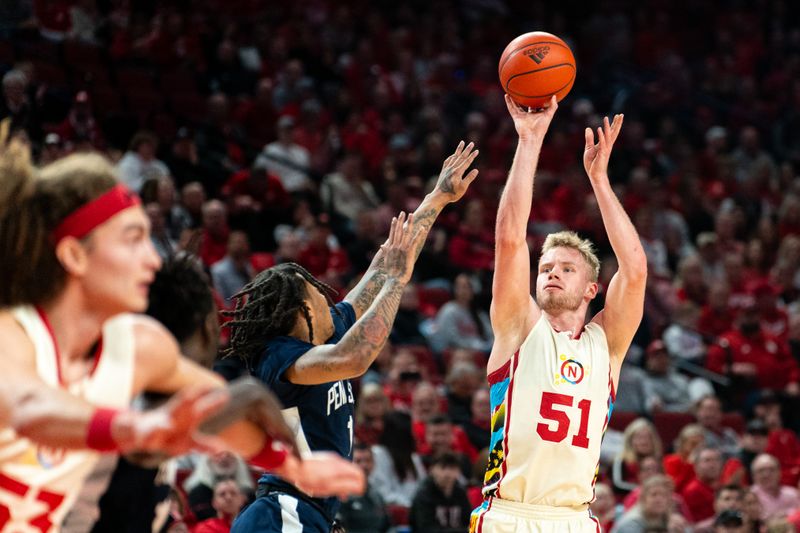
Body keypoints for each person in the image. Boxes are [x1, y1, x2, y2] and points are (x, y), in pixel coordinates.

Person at [0, 143, 364, 531]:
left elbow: (225, 410)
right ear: (75, 255)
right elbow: (28, 407)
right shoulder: (15, 336)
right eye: (132, 238)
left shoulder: (142, 345)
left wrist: (292, 466)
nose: (153, 259)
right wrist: (135, 428)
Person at [229, 141, 479, 533]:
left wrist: (437, 198)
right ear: (302, 312)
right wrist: (399, 279)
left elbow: (382, 265)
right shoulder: (279, 357)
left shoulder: (325, 333)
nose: (327, 292)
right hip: (282, 514)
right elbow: (357, 357)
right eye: (315, 289)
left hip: (312, 512)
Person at [471, 97, 648, 532]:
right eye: (546, 268)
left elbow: (636, 269)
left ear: (592, 289)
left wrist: (600, 182)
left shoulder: (606, 343)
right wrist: (529, 140)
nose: (551, 274)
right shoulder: (519, 327)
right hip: (509, 515)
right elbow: (510, 239)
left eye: (567, 269)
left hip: (575, 520)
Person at [409, 452, 472, 533]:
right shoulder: (424, 495)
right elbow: (425, 529)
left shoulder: (461, 493)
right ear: (432, 470)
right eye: (443, 468)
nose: (447, 474)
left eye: (452, 468)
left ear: (458, 472)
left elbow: (469, 523)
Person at [336, 443, 392, 533]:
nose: (364, 465)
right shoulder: (340, 495)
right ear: (349, 463)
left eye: (368, 460)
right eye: (358, 461)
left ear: (374, 463)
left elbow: (387, 526)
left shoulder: (377, 495)